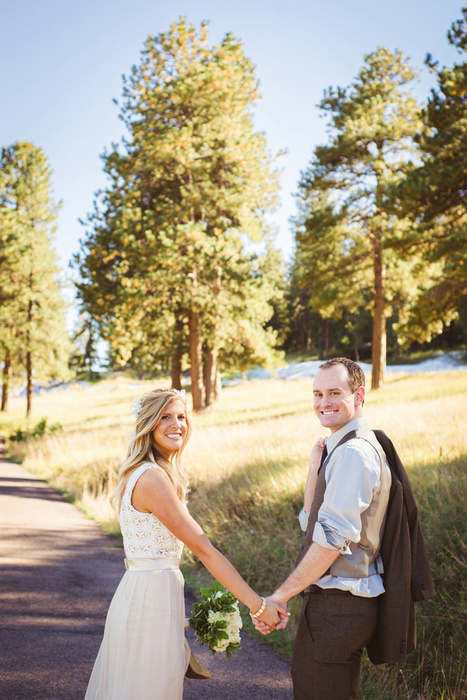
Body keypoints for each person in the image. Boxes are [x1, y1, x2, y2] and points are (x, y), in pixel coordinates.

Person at [84, 388, 287, 700]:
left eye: (181, 416)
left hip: (144, 595)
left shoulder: (144, 473)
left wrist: (186, 618)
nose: (176, 423)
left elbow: (146, 556)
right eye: (164, 417)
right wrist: (258, 605)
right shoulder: (152, 478)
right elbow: (203, 548)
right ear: (148, 424)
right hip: (148, 599)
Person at [254, 358, 392, 700]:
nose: (323, 402)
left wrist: (279, 597)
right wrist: (316, 466)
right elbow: (311, 521)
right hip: (347, 605)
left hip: (339, 607)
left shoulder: (353, 454)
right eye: (317, 393)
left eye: (334, 392)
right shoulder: (349, 447)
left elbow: (330, 541)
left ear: (358, 396)